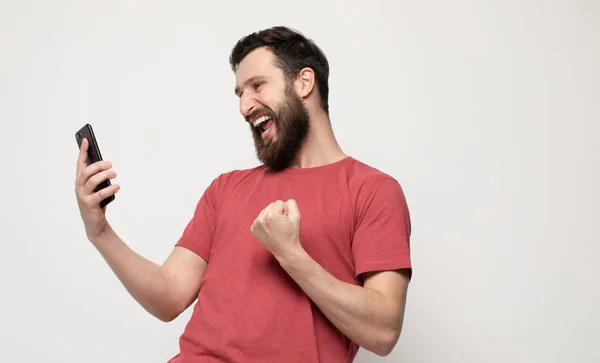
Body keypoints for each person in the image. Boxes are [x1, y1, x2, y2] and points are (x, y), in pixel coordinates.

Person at [74, 26, 412, 363]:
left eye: (257, 86)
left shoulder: (373, 191)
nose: (245, 106)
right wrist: (99, 231)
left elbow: (382, 332)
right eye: (239, 94)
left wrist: (291, 255)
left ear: (304, 82)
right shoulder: (226, 188)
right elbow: (168, 297)